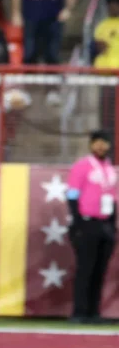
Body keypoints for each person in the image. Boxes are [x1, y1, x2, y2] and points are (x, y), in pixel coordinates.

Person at [66, 131, 117, 324]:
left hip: (105, 224)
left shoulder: (110, 168)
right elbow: (72, 195)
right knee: (85, 269)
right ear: (91, 145)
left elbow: (112, 198)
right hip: (87, 223)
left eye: (104, 143)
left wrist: (112, 226)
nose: (101, 147)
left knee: (99, 271)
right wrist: (78, 223)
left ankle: (94, 312)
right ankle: (79, 312)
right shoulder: (82, 166)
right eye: (97, 143)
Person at [92, 0, 119, 70]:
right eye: (109, 5)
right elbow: (101, 46)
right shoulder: (102, 25)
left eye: (115, 5)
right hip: (104, 66)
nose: (112, 8)